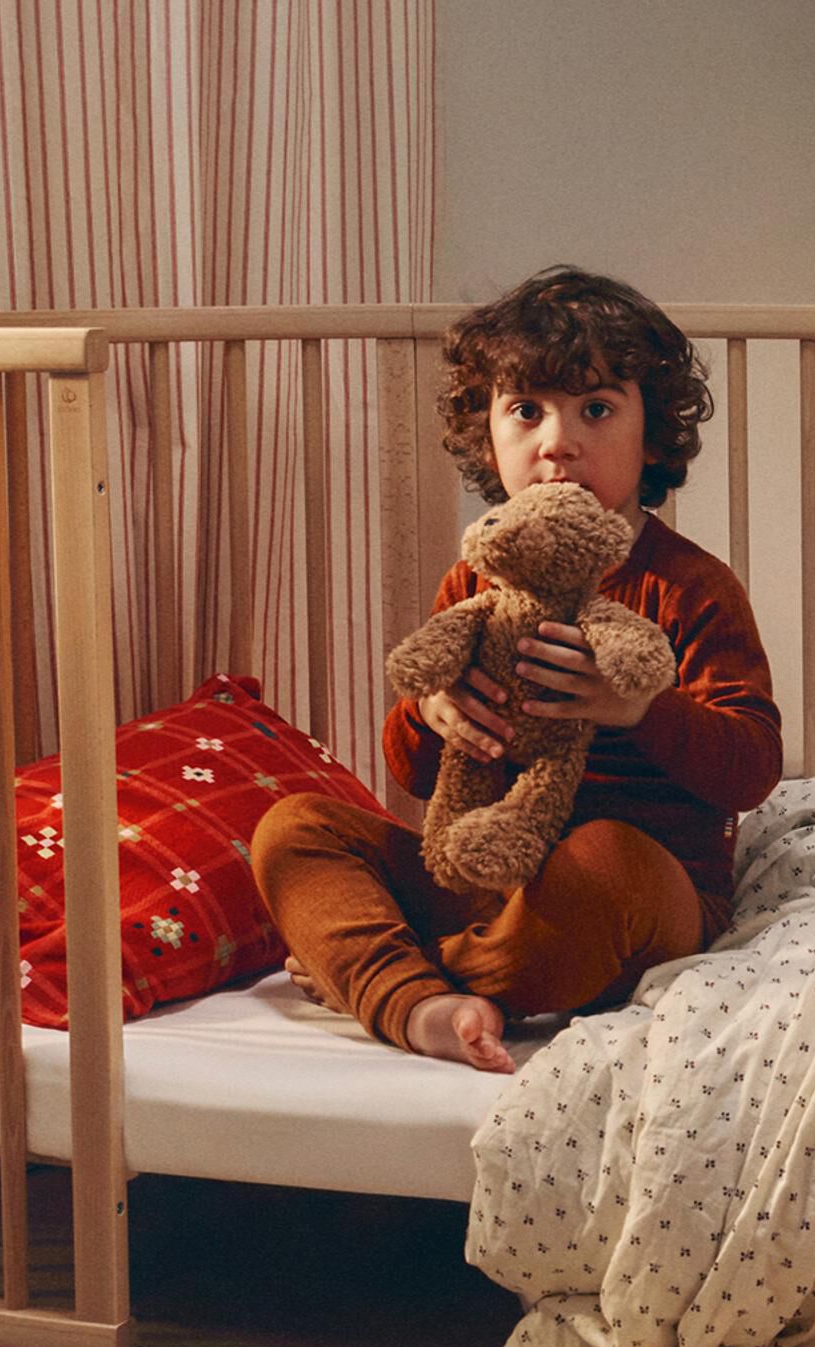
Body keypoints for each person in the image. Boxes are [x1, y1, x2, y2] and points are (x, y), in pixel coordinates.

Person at [250, 265, 782, 1072]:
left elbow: (752, 767)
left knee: (608, 857)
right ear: (486, 433)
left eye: (596, 409)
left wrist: (640, 709)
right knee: (294, 829)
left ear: (652, 437)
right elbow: (417, 776)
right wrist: (433, 714)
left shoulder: (689, 586)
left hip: (637, 894)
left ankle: (391, 979)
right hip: (486, 884)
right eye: (525, 411)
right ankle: (432, 1006)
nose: (557, 441)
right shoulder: (477, 581)